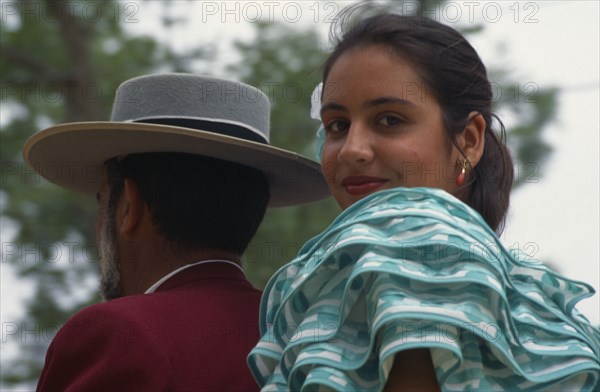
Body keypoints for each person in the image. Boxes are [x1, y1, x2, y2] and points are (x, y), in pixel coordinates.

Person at [248, 10, 600, 392]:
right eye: (338, 125)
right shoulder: (531, 296)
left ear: (468, 139)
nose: (352, 150)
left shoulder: (410, 247)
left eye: (389, 120)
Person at [23, 73, 330, 391]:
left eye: (103, 200)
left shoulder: (119, 334)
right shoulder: (302, 334)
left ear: (129, 205)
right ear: (254, 210)